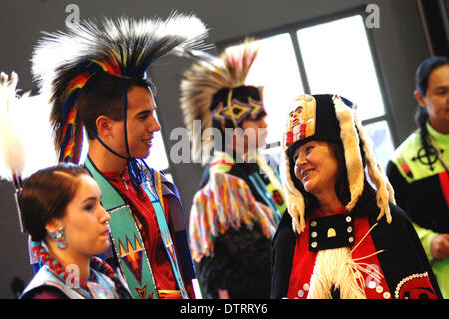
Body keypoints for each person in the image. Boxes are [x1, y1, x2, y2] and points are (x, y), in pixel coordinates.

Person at [30, 14, 208, 299]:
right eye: (143, 116)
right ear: (104, 126)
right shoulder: (72, 208)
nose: (156, 125)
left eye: (153, 113)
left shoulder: (160, 188)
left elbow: (186, 278)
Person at [271, 93, 442, 299]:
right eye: (295, 156)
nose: (299, 162)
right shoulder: (291, 236)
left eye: (309, 149)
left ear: (343, 149)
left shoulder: (386, 222)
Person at [0, 72, 130, 299]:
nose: (105, 215)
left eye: (100, 203)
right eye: (89, 207)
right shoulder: (47, 296)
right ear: (52, 222)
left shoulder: (106, 279)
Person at [179, 41, 286, 298]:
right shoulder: (224, 180)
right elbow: (252, 255)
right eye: (256, 115)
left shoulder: (254, 166)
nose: (265, 121)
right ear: (231, 125)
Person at [386, 56, 449, 298]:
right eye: (441, 92)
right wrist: (429, 242)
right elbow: (394, 226)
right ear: (421, 99)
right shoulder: (403, 162)